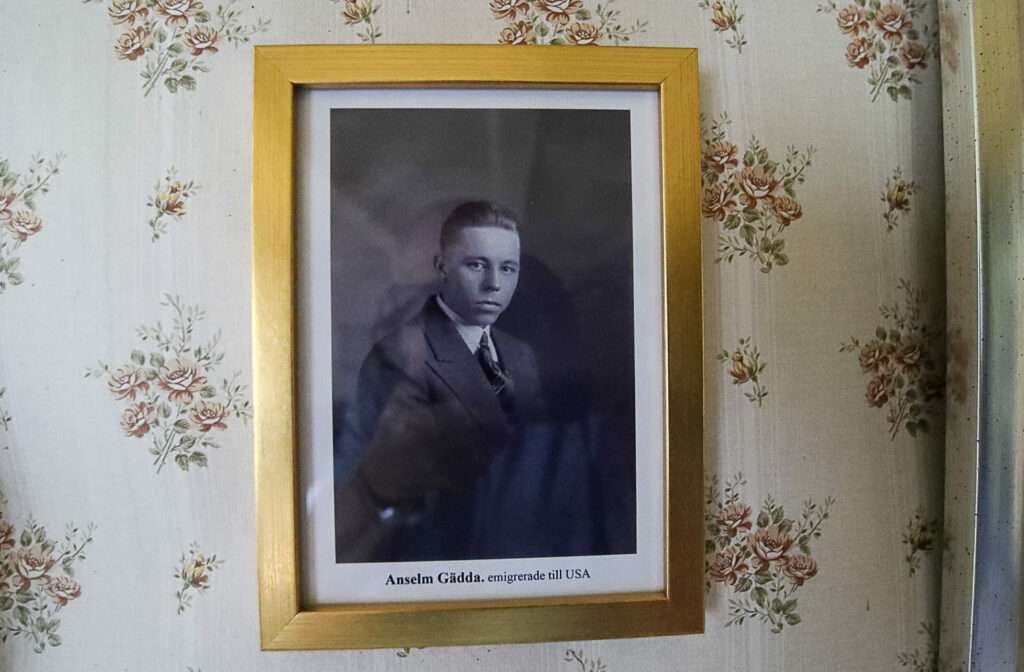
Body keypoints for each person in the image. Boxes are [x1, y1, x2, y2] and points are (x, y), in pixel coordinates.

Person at [334, 201, 548, 562]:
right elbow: (326, 562)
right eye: (410, 302)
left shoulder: (573, 430)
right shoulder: (382, 382)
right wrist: (375, 486)